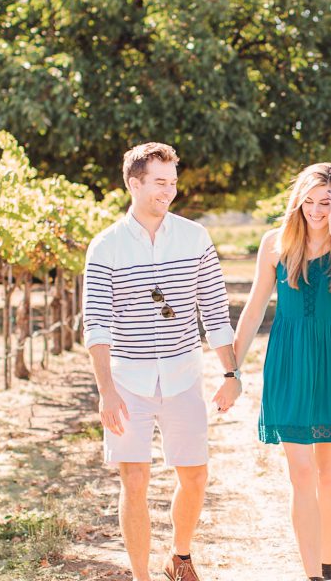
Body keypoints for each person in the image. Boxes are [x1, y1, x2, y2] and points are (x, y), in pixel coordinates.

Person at [82, 142, 242, 581]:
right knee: (134, 480)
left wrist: (230, 373)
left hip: (182, 375)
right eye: (159, 182)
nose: (169, 191)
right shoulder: (106, 246)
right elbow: (96, 324)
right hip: (127, 381)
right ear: (134, 184)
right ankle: (141, 577)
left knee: (195, 477)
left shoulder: (195, 237)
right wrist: (106, 392)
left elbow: (215, 310)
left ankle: (180, 556)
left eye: (172, 182)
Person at [233, 162, 331, 581]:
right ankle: (313, 575)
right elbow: (254, 309)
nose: (317, 211)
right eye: (310, 202)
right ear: (297, 201)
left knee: (328, 474)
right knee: (301, 473)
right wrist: (231, 371)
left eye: (326, 203)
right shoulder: (276, 243)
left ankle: (327, 562)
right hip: (292, 360)